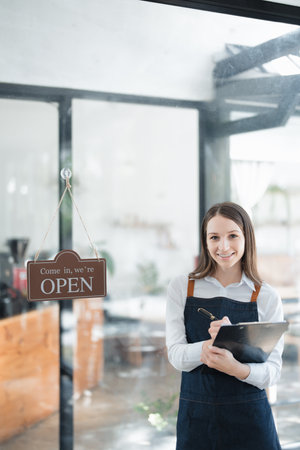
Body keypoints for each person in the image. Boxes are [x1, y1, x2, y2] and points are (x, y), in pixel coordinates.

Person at [166, 201, 284, 450]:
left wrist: (236, 368)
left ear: (246, 238)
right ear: (205, 241)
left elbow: (273, 372)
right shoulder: (182, 288)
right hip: (197, 419)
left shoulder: (265, 296)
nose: (223, 246)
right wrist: (209, 347)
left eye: (232, 235)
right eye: (214, 237)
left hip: (251, 421)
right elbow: (176, 356)